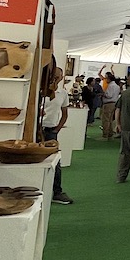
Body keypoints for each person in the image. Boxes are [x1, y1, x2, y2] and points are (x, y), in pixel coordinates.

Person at [41, 67, 74, 204]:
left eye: (58, 76)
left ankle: (57, 192)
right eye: (53, 75)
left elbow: (65, 114)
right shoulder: (40, 91)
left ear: (61, 77)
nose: (56, 78)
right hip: (36, 129)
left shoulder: (63, 93)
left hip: (50, 131)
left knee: (55, 161)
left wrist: (57, 129)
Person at [99, 72, 121, 139]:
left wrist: (103, 94)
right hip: (114, 103)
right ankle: (110, 134)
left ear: (109, 78)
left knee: (105, 120)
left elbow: (109, 95)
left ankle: (105, 135)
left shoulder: (111, 86)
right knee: (110, 120)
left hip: (108, 103)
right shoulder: (117, 86)